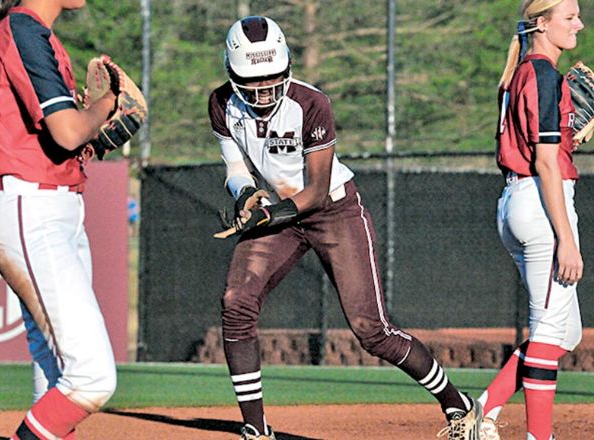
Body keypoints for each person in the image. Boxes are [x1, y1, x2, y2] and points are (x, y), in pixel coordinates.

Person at [209, 15, 482, 440]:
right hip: (279, 212)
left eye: (273, 79)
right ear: (231, 74)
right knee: (236, 304)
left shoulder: (312, 103)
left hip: (332, 210)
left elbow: (315, 191)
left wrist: (266, 214)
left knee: (372, 332)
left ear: (289, 67)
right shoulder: (221, 103)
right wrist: (245, 195)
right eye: (252, 82)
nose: (263, 91)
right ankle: (255, 427)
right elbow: (235, 167)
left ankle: (457, 404)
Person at [0, 1, 119, 438]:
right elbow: (66, 130)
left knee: (59, 364)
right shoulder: (22, 29)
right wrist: (105, 105)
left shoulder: (35, 33)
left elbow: (62, 141)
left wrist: (100, 128)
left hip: (54, 207)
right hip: (32, 209)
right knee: (92, 377)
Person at [478, 1, 585, 439]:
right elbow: (543, 163)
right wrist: (567, 238)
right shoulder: (541, 74)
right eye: (569, 17)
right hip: (542, 202)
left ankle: (483, 406)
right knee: (548, 330)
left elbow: (540, 148)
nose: (579, 23)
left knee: (566, 333)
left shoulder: (520, 73)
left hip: (519, 200)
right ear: (542, 24)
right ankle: (538, 436)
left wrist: (565, 139)